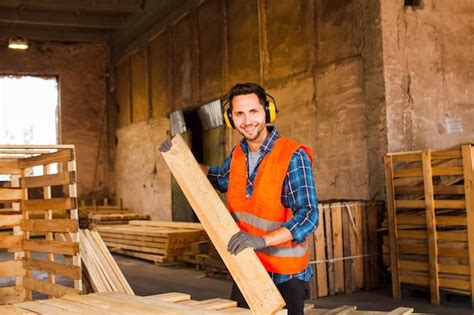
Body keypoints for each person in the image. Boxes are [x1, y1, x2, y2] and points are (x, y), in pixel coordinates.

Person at [160, 82, 318, 315]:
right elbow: (217, 177)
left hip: (285, 275)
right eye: (239, 114)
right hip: (247, 268)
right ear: (231, 119)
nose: (247, 121)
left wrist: (262, 240)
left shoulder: (292, 156)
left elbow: (309, 216)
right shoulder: (238, 155)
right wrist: (179, 156)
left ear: (267, 111)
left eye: (253, 111)